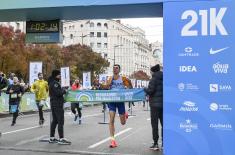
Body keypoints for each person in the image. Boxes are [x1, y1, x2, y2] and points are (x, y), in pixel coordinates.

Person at [102, 64, 131, 148]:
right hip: (112, 101)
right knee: (111, 120)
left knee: (123, 123)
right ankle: (112, 141)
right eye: (113, 68)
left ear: (119, 70)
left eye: (116, 68)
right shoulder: (110, 78)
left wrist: (129, 83)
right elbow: (106, 87)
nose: (115, 69)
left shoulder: (123, 79)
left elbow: (130, 88)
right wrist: (101, 84)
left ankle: (125, 114)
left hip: (120, 102)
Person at [48, 69, 71, 145]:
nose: (60, 76)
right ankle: (61, 138)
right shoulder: (55, 83)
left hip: (54, 103)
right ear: (55, 75)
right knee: (60, 120)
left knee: (55, 121)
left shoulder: (52, 83)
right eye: (59, 75)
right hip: (57, 104)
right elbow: (58, 93)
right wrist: (65, 91)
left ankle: (52, 138)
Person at [144, 64, 163, 151]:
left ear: (153, 71)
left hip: (155, 106)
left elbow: (150, 91)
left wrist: (145, 89)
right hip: (164, 105)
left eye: (151, 71)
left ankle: (155, 144)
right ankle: (164, 143)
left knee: (155, 125)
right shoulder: (165, 78)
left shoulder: (153, 79)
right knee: (164, 125)